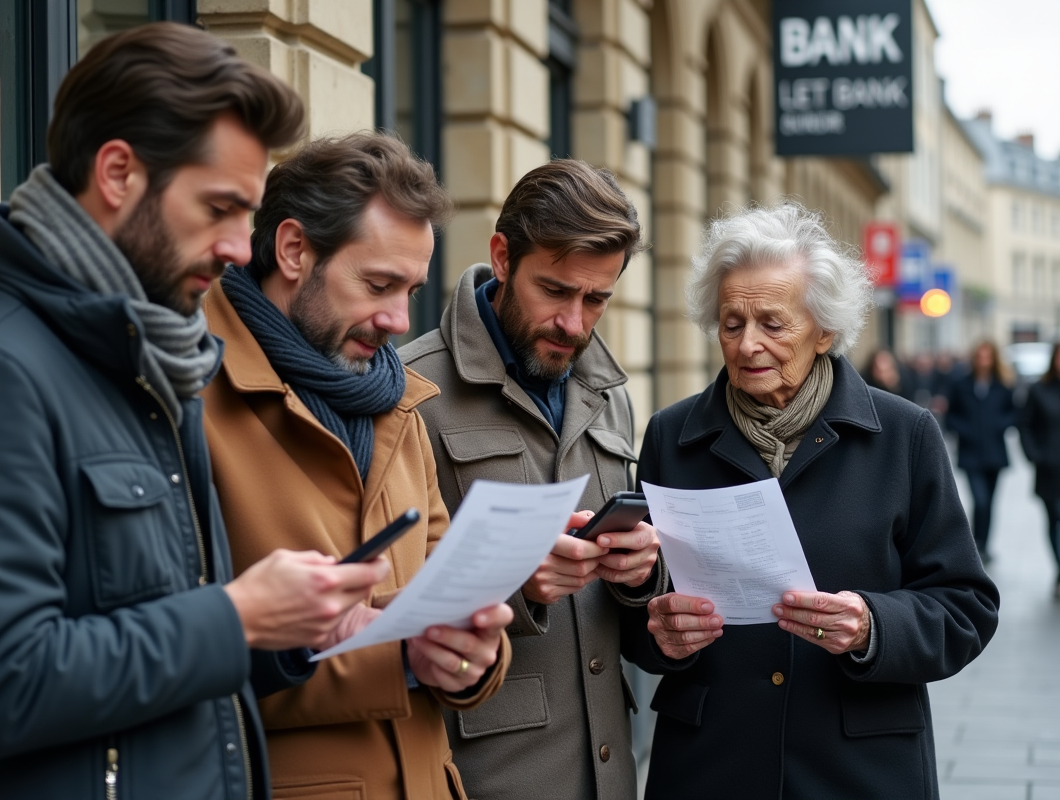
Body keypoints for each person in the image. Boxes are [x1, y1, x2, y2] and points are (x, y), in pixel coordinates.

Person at [0, 24, 394, 800]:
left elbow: (167, 647)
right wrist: (240, 616)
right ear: (118, 172)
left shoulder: (152, 362)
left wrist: (292, 632)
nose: (234, 248)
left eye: (245, 216)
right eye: (219, 207)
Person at [622, 203, 998, 800]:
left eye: (773, 323)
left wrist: (873, 626)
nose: (748, 345)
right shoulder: (673, 435)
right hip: (710, 764)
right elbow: (633, 608)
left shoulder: (904, 435)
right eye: (730, 322)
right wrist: (656, 628)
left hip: (859, 768)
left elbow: (966, 607)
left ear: (824, 329)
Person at [200, 132, 513, 800]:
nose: (399, 319)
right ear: (293, 251)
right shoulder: (194, 396)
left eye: (411, 289)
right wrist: (399, 653)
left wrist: (475, 656)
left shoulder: (396, 400)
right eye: (377, 284)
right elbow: (180, 658)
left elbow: (442, 596)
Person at [400, 160, 665, 800]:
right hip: (488, 773)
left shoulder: (610, 395)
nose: (573, 323)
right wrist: (518, 585)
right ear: (501, 257)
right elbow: (385, 598)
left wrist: (641, 575)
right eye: (554, 290)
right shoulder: (411, 390)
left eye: (596, 299)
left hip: (609, 768)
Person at [946, 340, 1018, 561]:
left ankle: (984, 544)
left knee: (990, 502)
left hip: (995, 452)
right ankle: (976, 542)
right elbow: (950, 416)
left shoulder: (1003, 384)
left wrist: (1000, 425)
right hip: (971, 452)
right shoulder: (961, 384)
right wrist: (964, 430)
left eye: (988, 357)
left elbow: (1013, 412)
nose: (984, 361)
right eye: (980, 356)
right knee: (980, 500)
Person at [1018, 342, 1060, 597]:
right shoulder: (1039, 391)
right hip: (1050, 469)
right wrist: (1034, 455)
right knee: (1054, 518)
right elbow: (1024, 424)